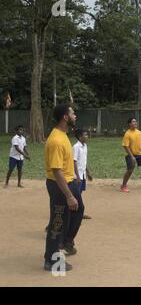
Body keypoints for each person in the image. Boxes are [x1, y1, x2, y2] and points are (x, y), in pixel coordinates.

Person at [43, 104, 84, 272]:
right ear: (65, 117)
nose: (75, 116)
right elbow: (56, 171)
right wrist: (69, 196)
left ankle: (66, 242)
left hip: (68, 182)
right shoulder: (56, 140)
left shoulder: (63, 135)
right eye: (73, 113)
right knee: (58, 221)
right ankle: (51, 260)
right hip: (59, 186)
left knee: (78, 210)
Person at [73, 129, 93, 220]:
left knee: (79, 194)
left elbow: (84, 161)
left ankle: (79, 214)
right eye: (85, 134)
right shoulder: (76, 147)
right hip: (77, 176)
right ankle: (75, 215)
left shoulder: (85, 146)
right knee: (75, 195)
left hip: (83, 174)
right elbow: (74, 162)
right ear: (80, 137)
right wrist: (77, 176)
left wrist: (88, 173)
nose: (87, 136)